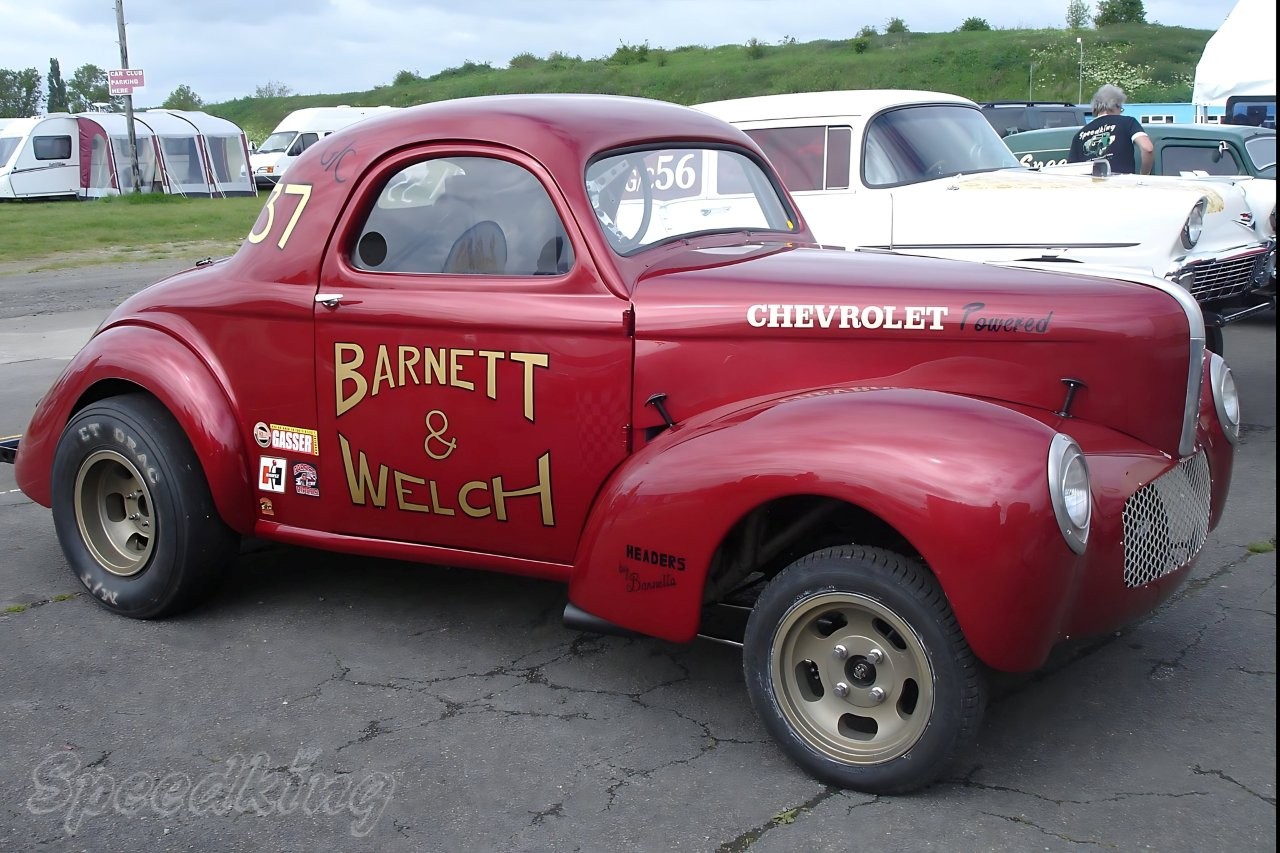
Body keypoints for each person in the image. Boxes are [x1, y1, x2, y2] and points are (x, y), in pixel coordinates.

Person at [1067, 84, 1153, 174]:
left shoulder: (1079, 135)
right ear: (1116, 106)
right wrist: (1143, 175)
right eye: (1121, 109)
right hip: (1122, 182)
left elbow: (1071, 171)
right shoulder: (1128, 122)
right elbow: (1148, 148)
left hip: (1091, 182)